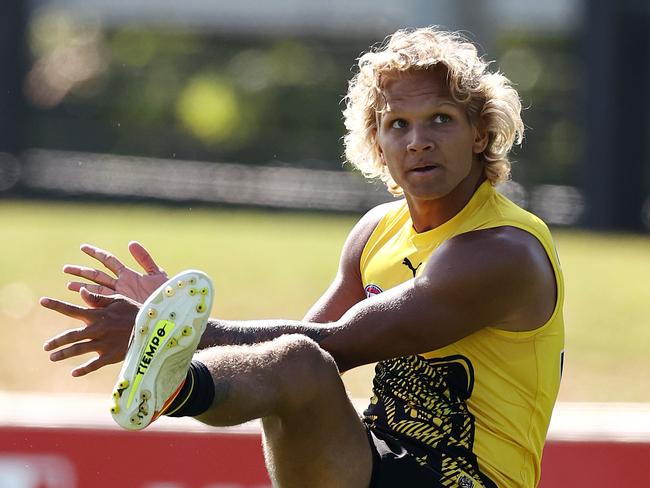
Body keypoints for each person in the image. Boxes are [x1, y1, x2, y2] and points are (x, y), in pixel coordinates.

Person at [41, 26, 565, 488]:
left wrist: (173, 330)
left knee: (300, 358)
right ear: (377, 144)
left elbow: (338, 344)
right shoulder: (376, 231)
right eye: (398, 125)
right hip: (375, 462)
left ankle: (176, 381)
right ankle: (172, 385)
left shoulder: (502, 251)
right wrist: (167, 329)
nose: (418, 141)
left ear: (480, 134)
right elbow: (282, 366)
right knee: (294, 366)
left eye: (441, 119)